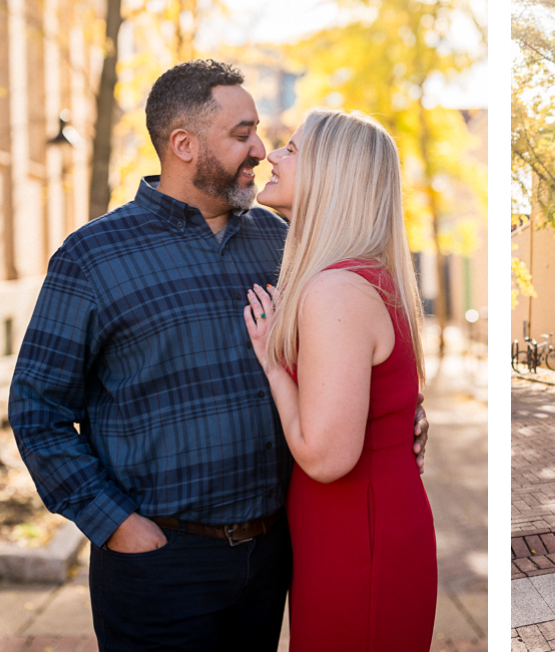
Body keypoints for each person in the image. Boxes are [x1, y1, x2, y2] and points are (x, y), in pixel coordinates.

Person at [7, 60, 428, 652]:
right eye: (241, 134)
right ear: (183, 144)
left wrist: (395, 414)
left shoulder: (285, 246)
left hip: (276, 557)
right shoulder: (92, 256)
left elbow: (348, 355)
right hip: (160, 563)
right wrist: (116, 525)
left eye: (260, 133)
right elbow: (37, 409)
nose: (259, 148)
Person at [243, 108, 437, 651]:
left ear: (334, 176)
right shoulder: (362, 275)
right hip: (356, 528)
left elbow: (328, 459)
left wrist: (274, 366)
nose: (272, 156)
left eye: (293, 149)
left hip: (358, 540)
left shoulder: (335, 290)